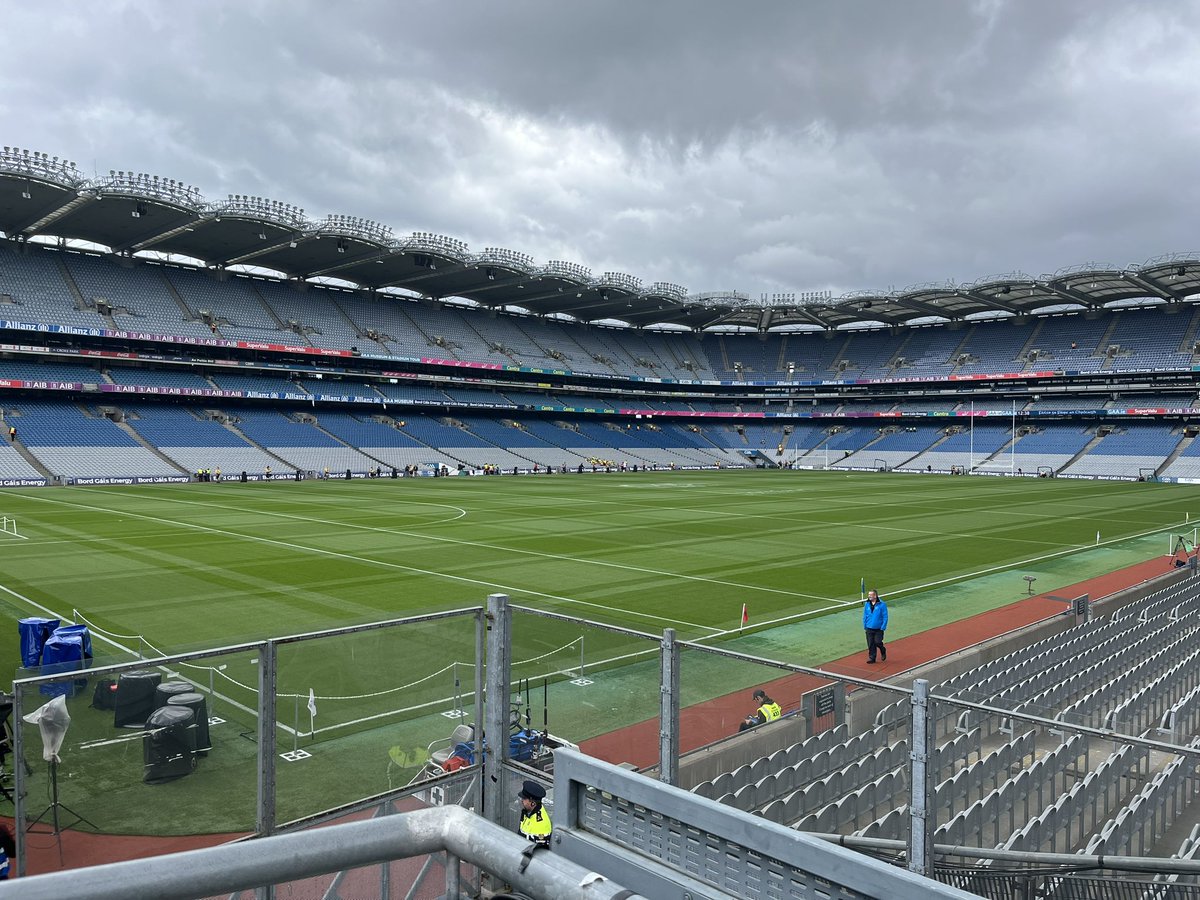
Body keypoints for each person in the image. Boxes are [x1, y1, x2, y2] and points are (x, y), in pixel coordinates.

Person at [517, 779, 552, 846]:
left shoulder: (541, 825)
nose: (522, 800)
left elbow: (539, 851)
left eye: (524, 799)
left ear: (533, 803)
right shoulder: (527, 811)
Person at [863, 589, 888, 664]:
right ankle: (872, 658)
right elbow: (865, 615)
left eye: (871, 595)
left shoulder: (882, 604)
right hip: (869, 627)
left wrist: (883, 626)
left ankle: (883, 650)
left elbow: (885, 616)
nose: (869, 596)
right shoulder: (867, 604)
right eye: (869, 595)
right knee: (870, 644)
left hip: (878, 628)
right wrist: (865, 624)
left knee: (878, 642)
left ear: (875, 595)